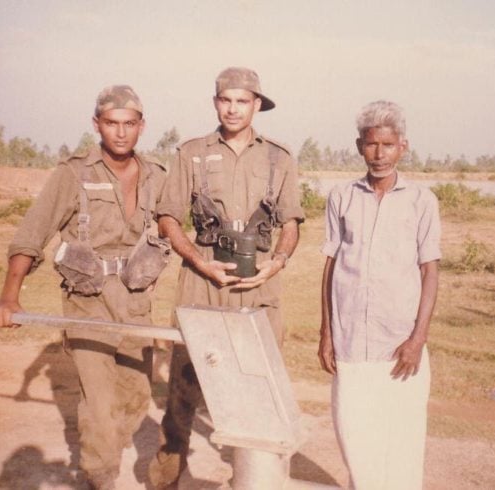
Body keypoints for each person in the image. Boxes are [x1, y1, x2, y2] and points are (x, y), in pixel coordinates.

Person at [0, 85, 168, 489]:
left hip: (137, 299)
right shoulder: (73, 174)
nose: (120, 132)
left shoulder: (157, 175)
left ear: (142, 126)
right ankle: (100, 476)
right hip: (88, 299)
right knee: (99, 403)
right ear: (96, 124)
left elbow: (175, 226)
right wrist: (9, 297)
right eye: (111, 123)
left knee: (136, 397)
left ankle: (105, 449)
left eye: (129, 124)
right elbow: (32, 234)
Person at [149, 66, 305, 488]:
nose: (233, 109)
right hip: (202, 280)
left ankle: (255, 480)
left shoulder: (279, 157)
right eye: (226, 100)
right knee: (184, 387)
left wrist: (278, 262)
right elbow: (168, 217)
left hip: (258, 284)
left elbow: (291, 222)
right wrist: (199, 262)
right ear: (215, 103)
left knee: (261, 388)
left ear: (257, 105)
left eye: (242, 101)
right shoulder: (191, 153)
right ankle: (166, 478)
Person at [318, 100, 441, 490]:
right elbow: (331, 265)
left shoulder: (422, 201)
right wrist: (327, 333)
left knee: (402, 444)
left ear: (403, 146)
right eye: (372, 144)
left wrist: (417, 340)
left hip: (400, 344)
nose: (379, 154)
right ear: (359, 146)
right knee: (355, 441)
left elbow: (429, 271)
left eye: (388, 145)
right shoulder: (342, 196)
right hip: (351, 341)